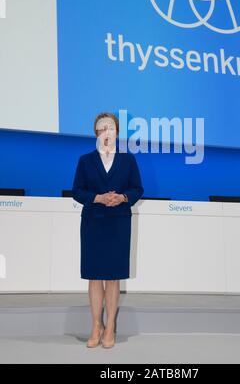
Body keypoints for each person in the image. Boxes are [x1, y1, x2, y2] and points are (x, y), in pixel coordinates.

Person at [72, 112, 144, 348]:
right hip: (93, 221)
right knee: (94, 276)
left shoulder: (128, 160)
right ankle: (96, 326)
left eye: (110, 127)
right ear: (96, 133)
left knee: (113, 278)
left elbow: (137, 189)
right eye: (102, 127)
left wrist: (123, 197)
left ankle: (110, 326)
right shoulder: (85, 160)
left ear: (117, 132)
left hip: (118, 222)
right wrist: (98, 197)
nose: (106, 131)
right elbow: (77, 191)